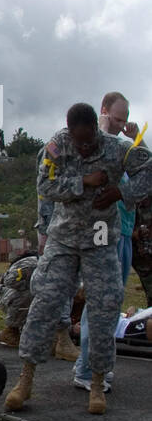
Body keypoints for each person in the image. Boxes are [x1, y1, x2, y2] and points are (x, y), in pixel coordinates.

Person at [5, 103, 152, 415]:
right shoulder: (57, 147)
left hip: (101, 238)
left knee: (105, 306)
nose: (83, 147)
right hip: (64, 237)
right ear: (70, 130)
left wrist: (121, 193)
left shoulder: (117, 149)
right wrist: (83, 182)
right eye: (78, 140)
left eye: (88, 141)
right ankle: (26, 379)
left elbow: (148, 171)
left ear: (96, 131)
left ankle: (97, 382)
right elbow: (45, 186)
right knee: (45, 300)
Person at [73, 92, 136, 392]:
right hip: (103, 234)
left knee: (112, 303)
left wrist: (137, 140)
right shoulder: (93, 148)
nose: (123, 124)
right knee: (99, 301)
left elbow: (145, 172)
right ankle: (87, 369)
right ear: (104, 112)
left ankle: (98, 366)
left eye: (126, 119)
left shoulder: (123, 149)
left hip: (124, 233)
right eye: (118, 118)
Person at [0, 250, 78, 359]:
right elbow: (10, 281)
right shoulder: (32, 264)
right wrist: (33, 281)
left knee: (57, 294)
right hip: (7, 296)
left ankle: (48, 338)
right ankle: (11, 330)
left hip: (21, 296)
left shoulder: (65, 270)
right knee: (36, 293)